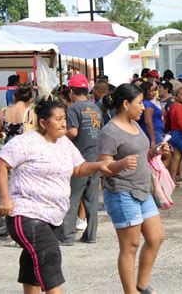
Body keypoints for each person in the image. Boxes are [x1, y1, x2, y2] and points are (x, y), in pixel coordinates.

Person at [0, 100, 108, 294]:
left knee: (33, 262)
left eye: (65, 118)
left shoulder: (64, 143)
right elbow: (0, 164)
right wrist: (5, 198)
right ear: (43, 123)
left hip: (52, 217)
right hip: (26, 215)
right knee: (49, 257)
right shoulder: (26, 142)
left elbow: (79, 168)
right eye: (58, 119)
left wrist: (98, 165)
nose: (64, 123)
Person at [97, 84, 169, 294]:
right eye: (139, 103)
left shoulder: (135, 125)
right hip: (122, 192)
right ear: (126, 104)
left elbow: (141, 154)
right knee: (130, 246)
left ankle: (142, 284)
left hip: (142, 190)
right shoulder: (109, 132)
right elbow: (104, 167)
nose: (142, 107)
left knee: (156, 237)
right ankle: (131, 291)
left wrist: (156, 151)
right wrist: (120, 164)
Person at [60, 74, 103, 246]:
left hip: (79, 160)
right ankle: (91, 235)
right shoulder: (96, 109)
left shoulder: (73, 108)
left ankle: (68, 237)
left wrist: (57, 138)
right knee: (91, 199)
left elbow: (73, 132)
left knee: (72, 197)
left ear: (71, 91)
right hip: (95, 159)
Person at [138, 82, 165, 147]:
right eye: (151, 91)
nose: (154, 93)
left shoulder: (147, 103)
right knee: (163, 155)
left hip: (156, 133)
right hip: (154, 134)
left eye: (154, 90)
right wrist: (153, 140)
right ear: (145, 92)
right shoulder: (147, 104)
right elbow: (148, 122)